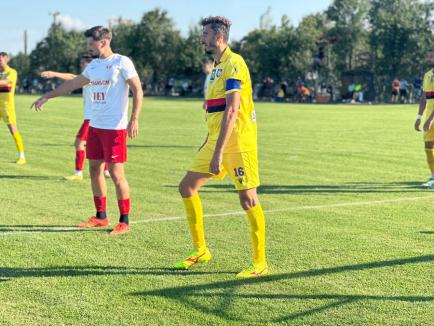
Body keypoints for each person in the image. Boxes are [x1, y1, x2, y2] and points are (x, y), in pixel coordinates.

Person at [176, 16, 269, 278]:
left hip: (238, 143)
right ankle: (200, 249)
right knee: (187, 187)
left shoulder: (234, 63)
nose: (201, 37)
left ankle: (259, 263)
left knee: (248, 200)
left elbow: (232, 110)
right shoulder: (216, 66)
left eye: (205, 33)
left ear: (219, 36)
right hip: (215, 141)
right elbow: (216, 111)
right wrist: (209, 140)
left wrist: (218, 152)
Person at [31, 26, 143, 235]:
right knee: (94, 170)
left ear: (103, 42)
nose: (88, 46)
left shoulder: (122, 62)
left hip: (115, 128)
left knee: (117, 174)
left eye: (91, 43)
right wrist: (47, 96)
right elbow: (72, 84)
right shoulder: (94, 66)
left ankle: (124, 221)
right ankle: (101, 216)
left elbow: (137, 90)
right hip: (96, 125)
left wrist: (134, 119)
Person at [40, 55, 110, 181]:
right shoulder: (95, 76)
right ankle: (106, 170)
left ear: (89, 64)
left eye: (83, 63)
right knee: (99, 144)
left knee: (79, 143)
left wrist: (54, 73)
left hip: (91, 118)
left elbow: (72, 77)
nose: (80, 65)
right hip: (96, 116)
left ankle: (78, 173)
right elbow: (73, 77)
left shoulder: (91, 76)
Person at [0, 52, 26, 164]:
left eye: (0, 59)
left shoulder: (12, 72)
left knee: (13, 130)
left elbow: (6, 82)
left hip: (7, 107)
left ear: (6, 59)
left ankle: (22, 156)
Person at [416, 49, 434, 188]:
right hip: (429, 116)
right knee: (428, 146)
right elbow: (424, 98)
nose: (429, 57)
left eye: (431, 55)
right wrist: (419, 117)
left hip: (431, 118)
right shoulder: (427, 75)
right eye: (428, 55)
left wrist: (429, 120)